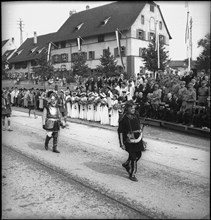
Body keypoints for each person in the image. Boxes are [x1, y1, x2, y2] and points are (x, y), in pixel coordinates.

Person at [118, 100, 145, 182]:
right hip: (129, 140)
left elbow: (138, 127)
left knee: (139, 155)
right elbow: (120, 132)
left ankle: (127, 164)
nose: (133, 110)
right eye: (131, 108)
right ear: (127, 108)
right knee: (133, 157)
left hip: (137, 139)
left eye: (134, 108)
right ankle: (132, 174)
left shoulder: (136, 115)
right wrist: (122, 143)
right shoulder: (123, 118)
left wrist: (141, 138)